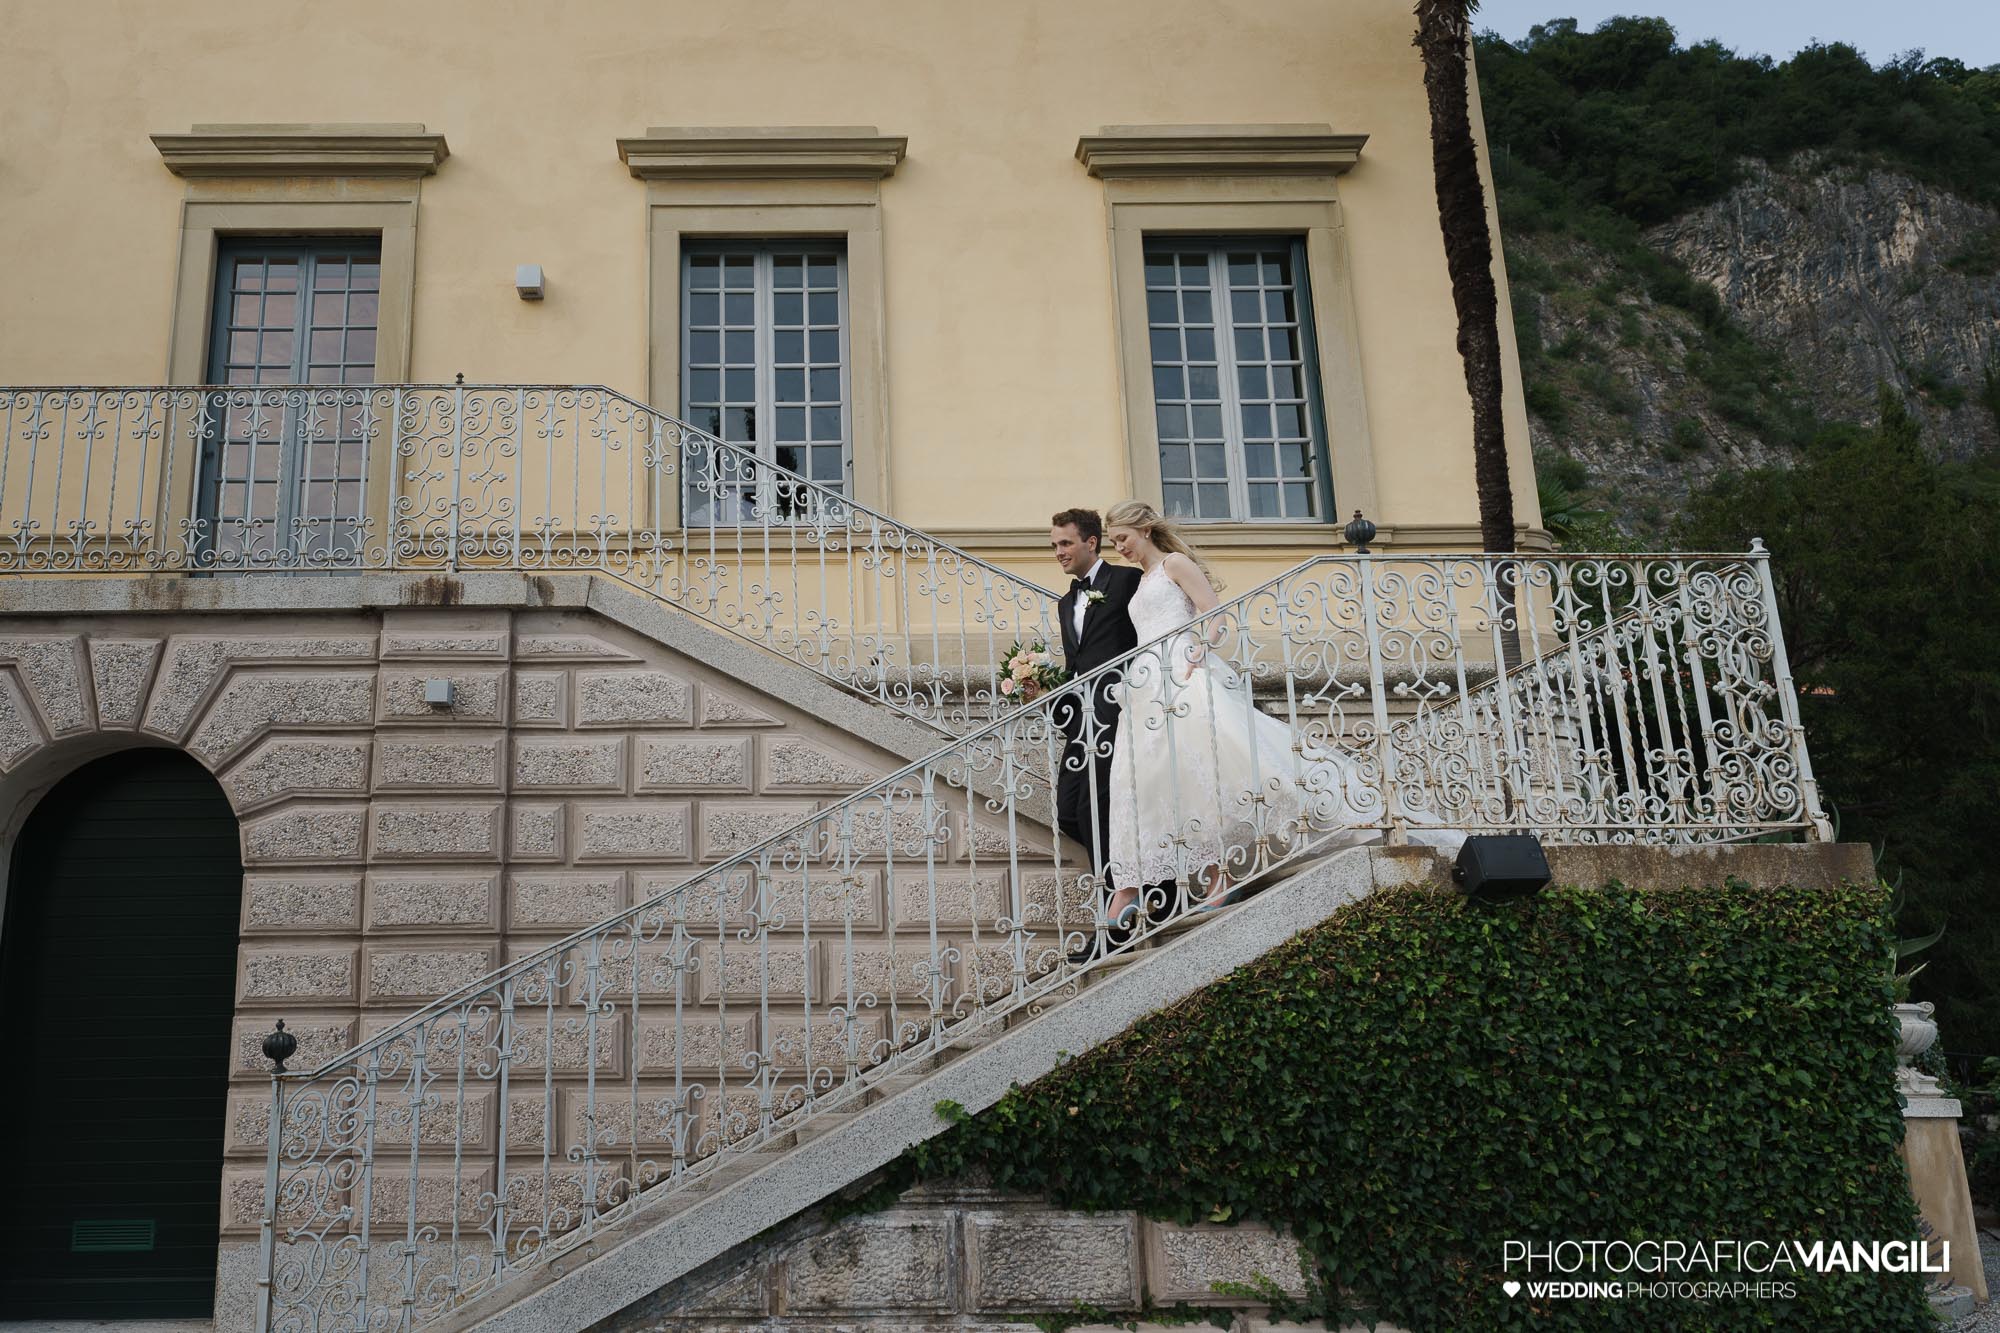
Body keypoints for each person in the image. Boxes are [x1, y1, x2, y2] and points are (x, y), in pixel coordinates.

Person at [1098, 500, 1462, 913]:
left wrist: (1200, 650)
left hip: (1180, 672)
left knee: (1210, 769)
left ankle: (1223, 872)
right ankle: (1136, 884)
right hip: (1145, 684)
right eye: (1113, 541)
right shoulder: (1143, 579)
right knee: (1158, 781)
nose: (1119, 547)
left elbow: (1214, 613)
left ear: (1144, 529)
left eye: (1122, 538)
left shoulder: (1174, 564)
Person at [1046, 508, 1169, 954]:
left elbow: (1155, 630)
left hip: (1121, 712)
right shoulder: (1066, 602)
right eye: (1055, 544)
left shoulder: (1126, 582)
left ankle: (1120, 917)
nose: (1058, 552)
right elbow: (1077, 663)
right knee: (1069, 812)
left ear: (1091, 542)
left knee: (1098, 809)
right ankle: (1149, 889)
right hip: (1081, 720)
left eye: (1066, 543)